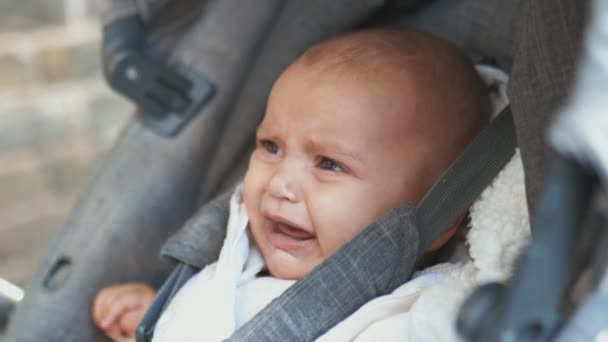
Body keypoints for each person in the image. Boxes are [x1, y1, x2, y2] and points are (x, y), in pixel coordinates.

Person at [92, 27, 491, 341]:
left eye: (330, 164)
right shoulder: (236, 258)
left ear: (441, 220)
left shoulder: (419, 316)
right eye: (270, 146)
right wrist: (158, 317)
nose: (280, 183)